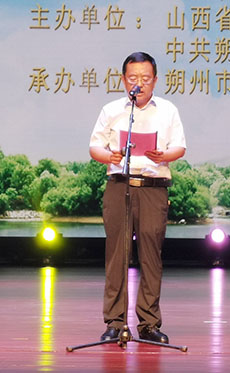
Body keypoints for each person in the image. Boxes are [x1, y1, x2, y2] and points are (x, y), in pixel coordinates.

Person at [89, 51, 186, 344]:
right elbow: (95, 147)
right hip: (119, 185)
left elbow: (180, 147)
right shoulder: (112, 110)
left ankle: (149, 324)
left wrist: (163, 155)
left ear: (155, 80)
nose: (139, 84)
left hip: (153, 187)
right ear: (123, 80)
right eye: (133, 78)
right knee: (117, 255)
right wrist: (111, 155)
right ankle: (115, 323)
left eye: (145, 78)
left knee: (150, 256)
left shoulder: (168, 110)